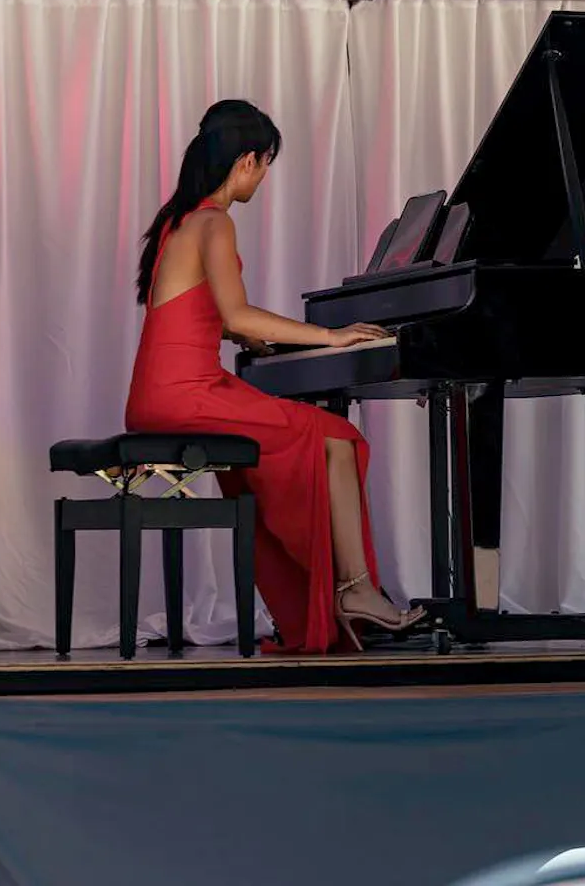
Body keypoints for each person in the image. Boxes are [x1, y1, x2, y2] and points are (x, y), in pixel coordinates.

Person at [124, 99, 425, 654]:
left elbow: (202, 318)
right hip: (185, 395)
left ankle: (347, 592)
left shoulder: (178, 220)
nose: (264, 177)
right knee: (340, 437)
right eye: (265, 164)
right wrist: (332, 337)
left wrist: (252, 339)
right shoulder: (214, 222)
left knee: (334, 439)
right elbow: (237, 314)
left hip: (160, 391)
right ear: (247, 160)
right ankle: (355, 591)